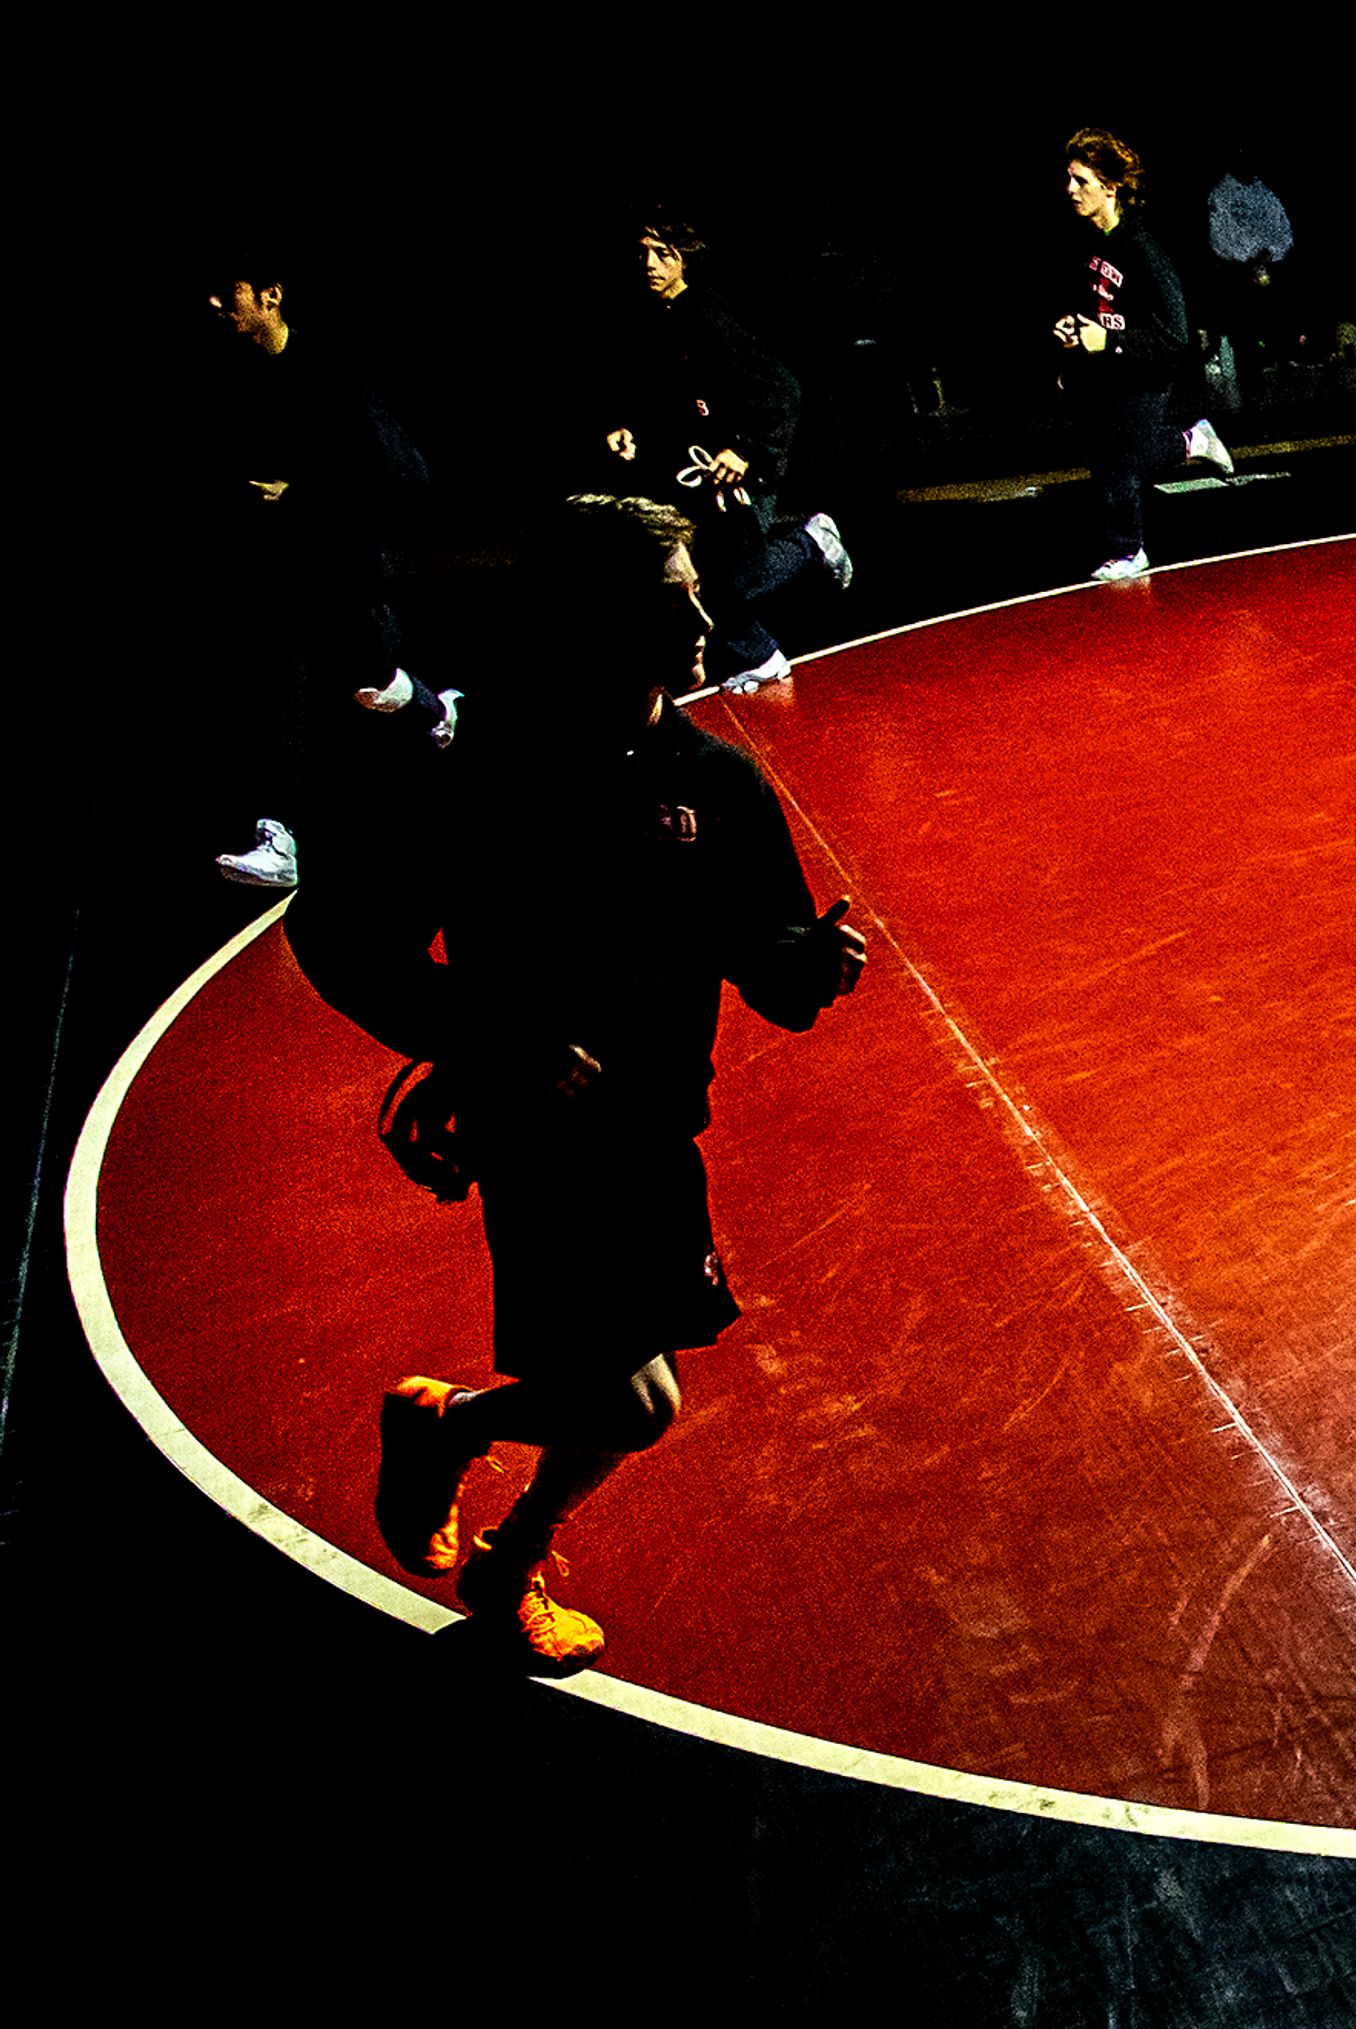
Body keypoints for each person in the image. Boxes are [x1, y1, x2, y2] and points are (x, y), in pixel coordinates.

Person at [287, 494, 870, 1670]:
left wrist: (809, 967)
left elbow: (769, 973)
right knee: (634, 1404)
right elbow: (338, 937)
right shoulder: (480, 777)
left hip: (658, 1129)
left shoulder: (719, 786)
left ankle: (450, 1436)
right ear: (585, 621)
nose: (705, 615)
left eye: (698, 586)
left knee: (622, 1391)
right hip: (540, 1136)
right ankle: (500, 1542)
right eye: (671, 600)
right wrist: (488, 1037)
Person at [199, 255, 440, 888]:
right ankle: (277, 837)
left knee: (373, 689)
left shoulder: (332, 378)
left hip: (348, 573)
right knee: (278, 693)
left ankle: (436, 710)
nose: (216, 306)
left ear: (271, 296)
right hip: (282, 577)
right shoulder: (231, 379)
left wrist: (300, 498)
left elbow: (407, 475)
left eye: (230, 292)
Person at [592, 213, 850, 694]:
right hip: (688, 472)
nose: (649, 264)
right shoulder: (648, 318)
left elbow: (782, 390)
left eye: (661, 253)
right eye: (642, 253)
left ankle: (810, 544)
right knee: (700, 576)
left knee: (733, 582)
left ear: (682, 258)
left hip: (738, 473)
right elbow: (656, 394)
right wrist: (625, 426)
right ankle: (762, 655)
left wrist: (746, 450)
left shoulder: (706, 314)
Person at [1053, 128, 1234, 582]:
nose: (1070, 190)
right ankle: (1193, 440)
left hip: (1147, 370)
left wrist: (1111, 342)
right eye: (1070, 179)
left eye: (1081, 181)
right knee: (1110, 457)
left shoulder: (1143, 250)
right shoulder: (1087, 241)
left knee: (1121, 467)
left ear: (1109, 187)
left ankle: (1129, 552)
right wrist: (1072, 332)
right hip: (1106, 367)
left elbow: (1174, 335)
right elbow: (1098, 307)